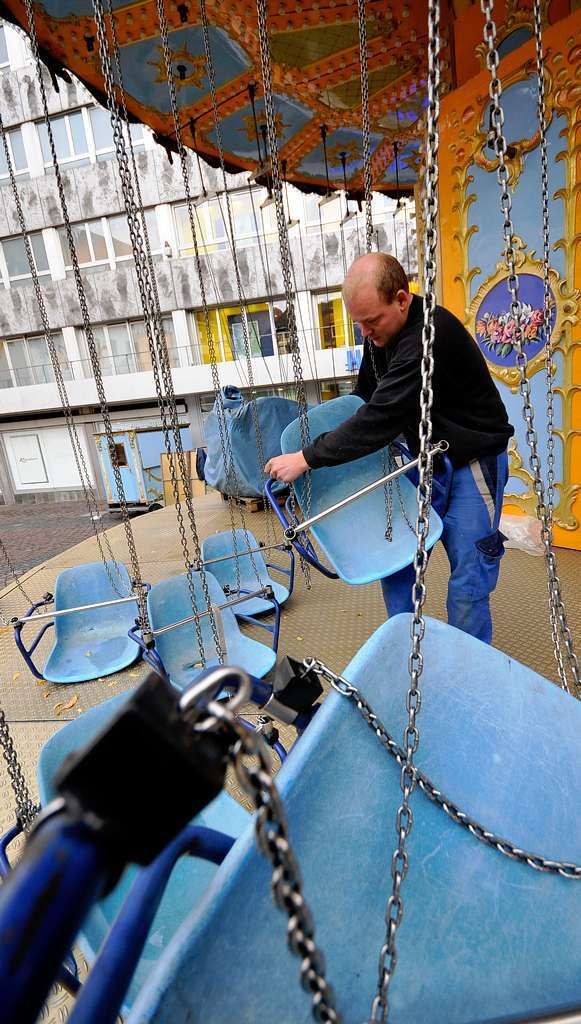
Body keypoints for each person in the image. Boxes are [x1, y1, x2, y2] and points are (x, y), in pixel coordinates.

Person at [265, 252, 514, 645]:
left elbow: (380, 419)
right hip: (426, 459)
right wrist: (310, 442)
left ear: (402, 298)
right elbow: (365, 399)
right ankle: (404, 652)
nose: (365, 332)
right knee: (399, 564)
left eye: (372, 321)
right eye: (358, 323)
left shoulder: (428, 339)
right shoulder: (381, 333)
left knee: (468, 575)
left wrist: (305, 458)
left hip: (473, 460)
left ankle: (471, 669)